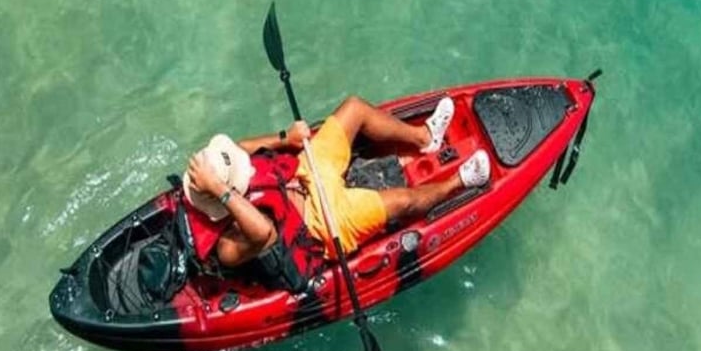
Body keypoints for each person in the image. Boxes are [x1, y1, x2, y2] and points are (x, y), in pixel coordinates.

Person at [182, 95, 490, 281]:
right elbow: (264, 233)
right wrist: (221, 189)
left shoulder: (224, 172)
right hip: (320, 223)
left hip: (302, 173)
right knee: (402, 201)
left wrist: (285, 138)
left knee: (354, 108)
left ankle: (424, 138)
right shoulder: (226, 248)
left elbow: (240, 148)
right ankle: (459, 181)